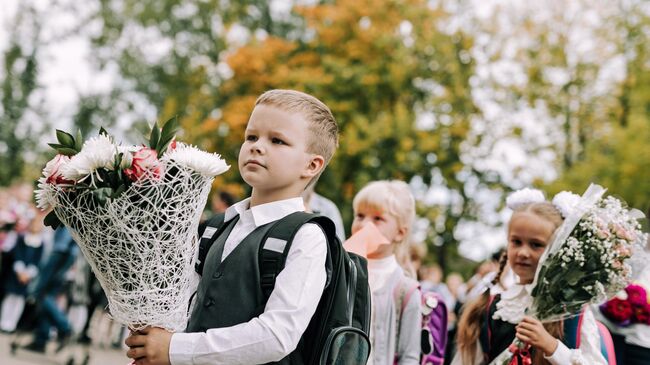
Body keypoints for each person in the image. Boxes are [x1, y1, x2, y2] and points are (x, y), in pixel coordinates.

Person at [125, 89, 339, 365]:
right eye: (251, 136)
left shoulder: (306, 236)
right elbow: (190, 303)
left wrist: (177, 349)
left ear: (311, 165)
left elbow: (277, 335)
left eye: (277, 140)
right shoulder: (218, 226)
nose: (257, 146)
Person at [452, 192, 607, 365]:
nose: (523, 253)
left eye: (536, 245)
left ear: (558, 249)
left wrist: (552, 347)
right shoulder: (489, 308)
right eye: (516, 242)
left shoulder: (571, 313)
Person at [351, 180, 421, 365]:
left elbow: (410, 355)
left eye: (377, 219)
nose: (364, 224)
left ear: (400, 233)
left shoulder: (406, 290)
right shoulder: (339, 271)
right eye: (359, 215)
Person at [23, 226, 78, 353]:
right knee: (49, 296)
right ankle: (41, 339)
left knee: (38, 292)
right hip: (67, 251)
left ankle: (65, 327)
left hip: (62, 250)